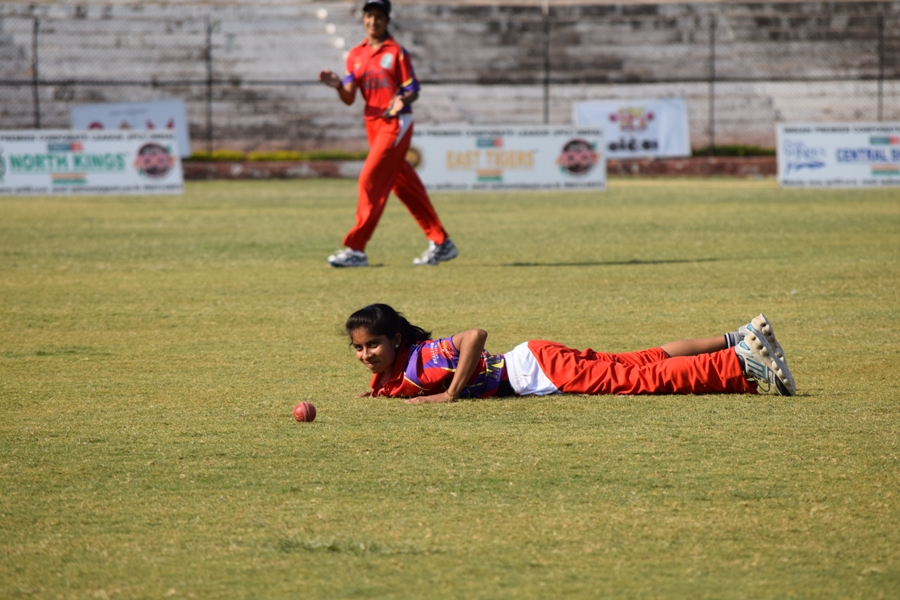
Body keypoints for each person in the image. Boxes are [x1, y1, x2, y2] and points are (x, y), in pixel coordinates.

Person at [345, 304, 796, 404]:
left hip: (533, 372)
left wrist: (450, 395)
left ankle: (740, 364)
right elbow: (389, 385)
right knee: (641, 361)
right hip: (536, 358)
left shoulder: (422, 358)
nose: (366, 354)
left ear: (397, 341)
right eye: (359, 348)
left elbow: (474, 335)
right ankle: (740, 339)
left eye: (374, 345)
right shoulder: (392, 372)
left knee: (639, 379)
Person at [318, 0, 458, 268]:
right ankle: (442, 242)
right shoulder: (355, 54)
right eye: (369, 16)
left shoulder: (396, 53)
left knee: (368, 180)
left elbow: (412, 89)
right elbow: (349, 98)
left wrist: (401, 101)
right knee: (405, 186)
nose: (374, 22)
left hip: (396, 123)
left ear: (387, 20)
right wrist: (337, 85)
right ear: (364, 19)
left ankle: (356, 249)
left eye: (379, 17)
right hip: (373, 125)